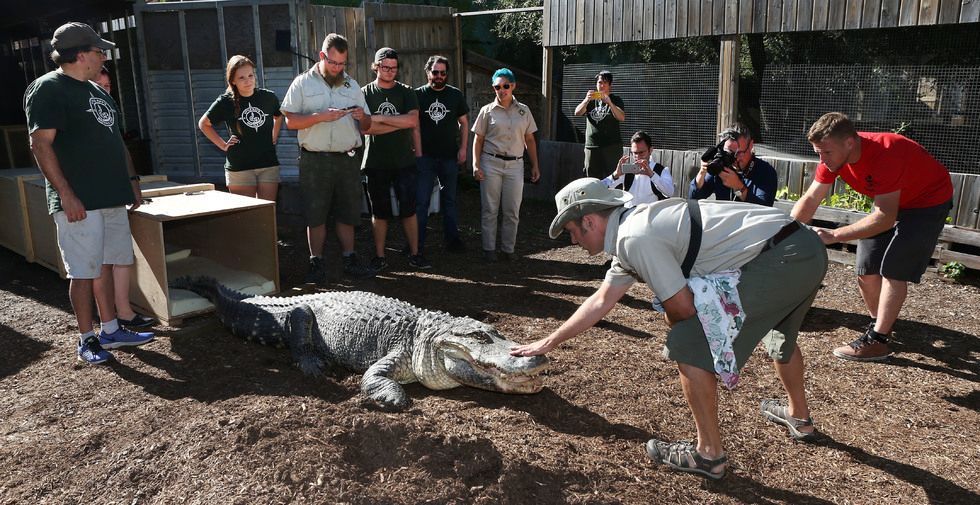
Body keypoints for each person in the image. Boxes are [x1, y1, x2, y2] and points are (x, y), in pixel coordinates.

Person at [511, 178, 828, 480]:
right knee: (781, 333)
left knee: (687, 341)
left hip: (783, 257)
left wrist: (671, 318)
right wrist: (549, 342)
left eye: (572, 231)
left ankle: (709, 454)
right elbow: (601, 301)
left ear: (590, 221)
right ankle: (799, 417)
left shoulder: (635, 238)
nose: (573, 240)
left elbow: (683, 310)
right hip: (805, 247)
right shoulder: (631, 229)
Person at [24, 22, 154, 364]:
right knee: (83, 271)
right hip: (79, 201)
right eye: (99, 51)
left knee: (109, 264)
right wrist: (65, 194)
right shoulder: (48, 89)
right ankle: (87, 338)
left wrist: (132, 181)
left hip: (111, 197)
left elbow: (115, 143)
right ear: (81, 55)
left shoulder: (97, 92)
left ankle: (111, 329)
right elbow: (40, 143)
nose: (103, 55)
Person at [792, 112, 953, 361]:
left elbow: (885, 217)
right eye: (818, 152)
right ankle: (880, 325)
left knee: (893, 269)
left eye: (826, 152)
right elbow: (812, 198)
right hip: (890, 202)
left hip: (927, 202)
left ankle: (878, 341)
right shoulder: (833, 158)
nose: (822, 159)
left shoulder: (886, 152)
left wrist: (835, 234)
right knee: (866, 268)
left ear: (849, 143)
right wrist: (788, 232)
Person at [280, 33, 375, 283]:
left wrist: (361, 117)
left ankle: (350, 258)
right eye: (333, 63)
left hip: (346, 160)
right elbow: (290, 121)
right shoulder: (302, 83)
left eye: (342, 64)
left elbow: (367, 124)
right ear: (322, 56)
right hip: (315, 160)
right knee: (316, 213)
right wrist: (320, 116)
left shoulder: (352, 86)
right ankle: (316, 262)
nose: (338, 68)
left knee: (348, 212)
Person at [92, 66, 156, 330]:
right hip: (93, 196)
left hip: (116, 193)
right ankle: (106, 318)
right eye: (99, 85)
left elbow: (121, 147)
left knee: (121, 257)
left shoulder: (109, 112)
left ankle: (125, 312)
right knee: (100, 262)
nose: (105, 91)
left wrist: (133, 181)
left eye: (108, 86)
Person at [360, 47, 429, 271]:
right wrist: (394, 122)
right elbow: (365, 128)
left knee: (408, 210)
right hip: (375, 163)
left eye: (393, 68)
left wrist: (379, 118)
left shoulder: (407, 91)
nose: (389, 71)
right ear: (376, 66)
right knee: (379, 212)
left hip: (404, 162)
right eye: (384, 67)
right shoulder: (364, 93)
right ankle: (380, 256)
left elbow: (412, 122)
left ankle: (416, 253)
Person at [471, 68, 540, 262]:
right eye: (497, 87)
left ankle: (508, 249)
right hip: (490, 162)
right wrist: (476, 165)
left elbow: (530, 140)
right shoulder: (486, 111)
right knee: (489, 208)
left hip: (515, 166)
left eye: (505, 86)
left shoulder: (523, 110)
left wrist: (535, 165)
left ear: (513, 86)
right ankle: (489, 249)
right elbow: (478, 140)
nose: (502, 90)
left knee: (512, 210)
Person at [199, 55, 284, 202]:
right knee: (247, 216)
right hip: (240, 167)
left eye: (250, 75)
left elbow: (279, 116)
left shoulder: (269, 97)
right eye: (241, 78)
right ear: (233, 80)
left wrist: (274, 135)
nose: (248, 81)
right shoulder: (225, 101)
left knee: (267, 213)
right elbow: (203, 124)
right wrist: (223, 145)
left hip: (268, 164)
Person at [413, 55, 469, 254]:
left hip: (449, 157)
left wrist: (463, 149)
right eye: (435, 72)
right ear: (428, 72)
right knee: (421, 202)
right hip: (425, 157)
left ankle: (452, 240)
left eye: (442, 73)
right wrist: (418, 153)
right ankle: (416, 243)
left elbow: (464, 123)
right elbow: (413, 126)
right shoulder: (417, 95)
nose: (438, 76)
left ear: (447, 74)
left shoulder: (455, 95)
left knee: (450, 200)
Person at [689, 124, 777, 207]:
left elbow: (764, 209)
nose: (735, 159)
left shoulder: (766, 171)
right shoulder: (722, 166)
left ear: (750, 145)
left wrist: (738, 187)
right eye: (729, 153)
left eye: (739, 153)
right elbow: (693, 197)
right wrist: (702, 172)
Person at [574, 70, 626, 179]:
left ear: (610, 85)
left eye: (604, 83)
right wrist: (586, 100)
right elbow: (577, 113)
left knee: (614, 178)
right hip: (592, 146)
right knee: (591, 179)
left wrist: (610, 103)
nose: (601, 85)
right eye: (599, 82)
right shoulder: (590, 101)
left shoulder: (616, 99)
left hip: (611, 146)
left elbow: (621, 117)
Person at [600, 130, 673, 206]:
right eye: (635, 153)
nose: (638, 157)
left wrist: (652, 175)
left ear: (650, 150)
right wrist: (615, 175)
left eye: (641, 152)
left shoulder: (661, 170)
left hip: (650, 215)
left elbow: (670, 192)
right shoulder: (627, 170)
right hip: (629, 215)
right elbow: (598, 189)